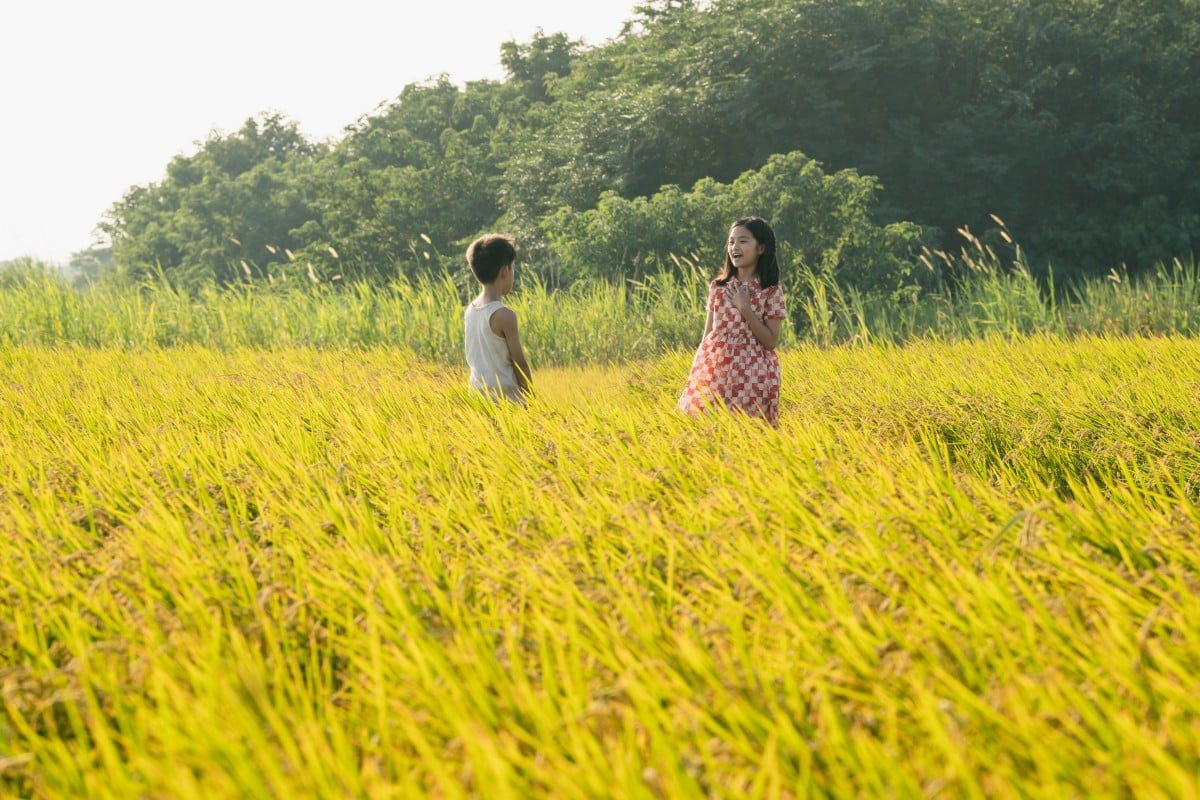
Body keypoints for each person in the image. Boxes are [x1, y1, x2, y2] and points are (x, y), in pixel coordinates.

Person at [678, 216, 786, 426]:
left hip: (754, 375)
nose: (735, 247)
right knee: (708, 427)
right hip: (718, 371)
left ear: (761, 248)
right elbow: (707, 335)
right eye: (731, 242)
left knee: (750, 432)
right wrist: (696, 374)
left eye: (743, 241)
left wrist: (745, 308)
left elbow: (771, 341)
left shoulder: (771, 291)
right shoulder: (718, 287)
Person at [463, 233, 532, 404]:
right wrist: (531, 400)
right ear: (504, 271)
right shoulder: (504, 315)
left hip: (478, 398)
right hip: (507, 402)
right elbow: (520, 364)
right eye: (513, 268)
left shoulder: (470, 310)